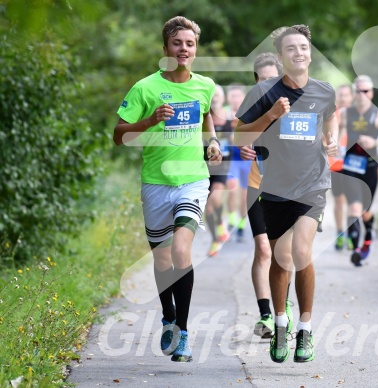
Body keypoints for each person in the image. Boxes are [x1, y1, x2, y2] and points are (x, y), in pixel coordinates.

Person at [113, 16, 222, 363]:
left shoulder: (205, 85)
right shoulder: (145, 88)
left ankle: (184, 334)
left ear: (195, 49)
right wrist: (149, 120)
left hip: (192, 181)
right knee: (162, 259)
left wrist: (213, 142)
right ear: (165, 49)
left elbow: (206, 115)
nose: (184, 49)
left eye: (189, 44)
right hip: (156, 184)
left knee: (180, 251)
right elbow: (119, 135)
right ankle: (169, 317)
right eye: (177, 43)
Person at [234, 25, 338, 363]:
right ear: (281, 57)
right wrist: (271, 115)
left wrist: (331, 137)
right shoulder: (264, 92)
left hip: (313, 185)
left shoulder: (324, 91)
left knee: (301, 252)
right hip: (275, 188)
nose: (299, 53)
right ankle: (281, 324)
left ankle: (305, 331)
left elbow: (330, 115)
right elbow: (238, 137)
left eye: (304, 47)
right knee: (281, 260)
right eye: (291, 48)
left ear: (310, 53)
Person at [238, 53, 294, 339]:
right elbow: (238, 137)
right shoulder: (253, 106)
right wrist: (243, 147)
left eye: (271, 79)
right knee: (263, 249)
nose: (265, 85)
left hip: (286, 188)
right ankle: (266, 315)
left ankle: (283, 305)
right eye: (261, 80)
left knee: (285, 253)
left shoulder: (292, 104)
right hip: (256, 185)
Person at [340, 75, 378, 267]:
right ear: (354, 93)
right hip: (350, 167)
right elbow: (333, 131)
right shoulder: (346, 113)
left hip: (370, 167)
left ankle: (368, 238)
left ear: (371, 93)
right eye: (358, 91)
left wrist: (375, 142)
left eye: (366, 91)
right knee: (354, 207)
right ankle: (356, 250)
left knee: (365, 212)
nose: (362, 95)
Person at [205, 84, 231, 256]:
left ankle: (221, 223)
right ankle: (215, 238)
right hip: (204, 165)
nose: (214, 98)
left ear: (223, 98)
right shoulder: (204, 117)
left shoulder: (230, 118)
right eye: (212, 95)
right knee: (207, 210)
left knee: (215, 196)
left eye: (217, 95)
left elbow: (237, 141)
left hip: (223, 164)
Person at [225, 84, 251, 241]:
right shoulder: (224, 115)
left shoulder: (250, 113)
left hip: (247, 160)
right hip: (232, 159)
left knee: (245, 195)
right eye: (232, 96)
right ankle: (231, 219)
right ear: (229, 98)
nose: (235, 99)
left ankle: (241, 225)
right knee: (231, 188)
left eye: (238, 96)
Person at [331, 85, 353, 251]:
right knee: (339, 200)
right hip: (336, 164)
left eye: (346, 95)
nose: (343, 98)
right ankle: (340, 233)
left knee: (353, 201)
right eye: (341, 95)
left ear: (351, 97)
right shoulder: (332, 115)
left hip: (354, 165)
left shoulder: (358, 115)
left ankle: (352, 232)